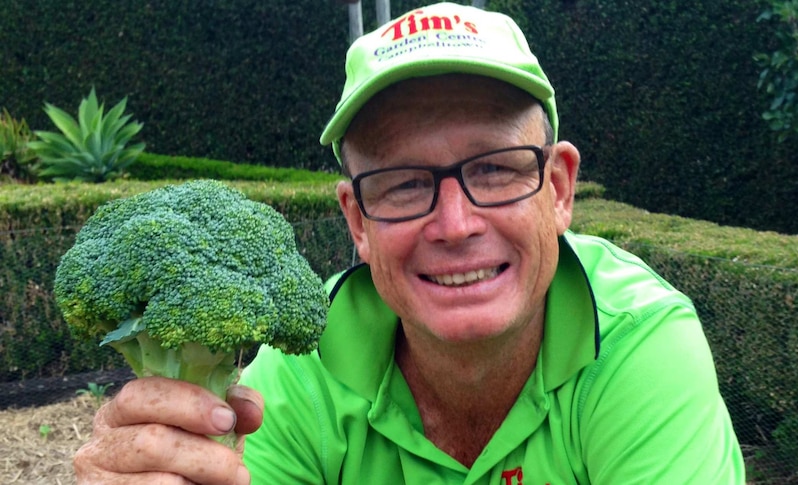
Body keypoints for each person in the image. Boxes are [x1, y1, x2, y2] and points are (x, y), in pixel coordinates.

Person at [73, 2, 745, 483]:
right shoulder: (302, 370)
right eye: (401, 182)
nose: (455, 224)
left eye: (494, 168)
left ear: (560, 188)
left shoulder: (638, 342)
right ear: (356, 221)